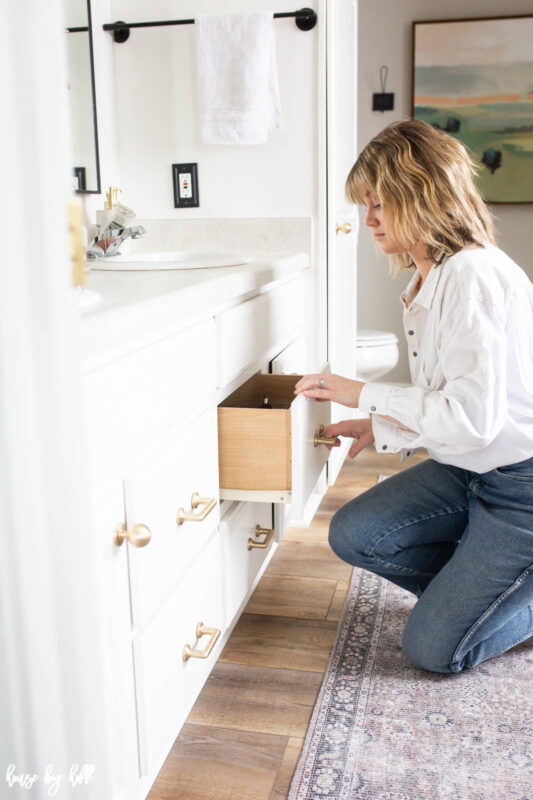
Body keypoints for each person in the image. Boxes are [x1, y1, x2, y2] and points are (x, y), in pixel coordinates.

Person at [294, 119, 533, 674]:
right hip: (467, 469)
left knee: (432, 650)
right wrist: (378, 427)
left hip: (522, 484)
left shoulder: (472, 274)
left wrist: (363, 394)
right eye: (366, 205)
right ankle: (479, 594)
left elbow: (472, 419)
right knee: (355, 533)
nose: (369, 219)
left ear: (422, 197)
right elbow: (450, 402)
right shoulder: (432, 275)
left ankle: (494, 600)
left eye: (380, 204)